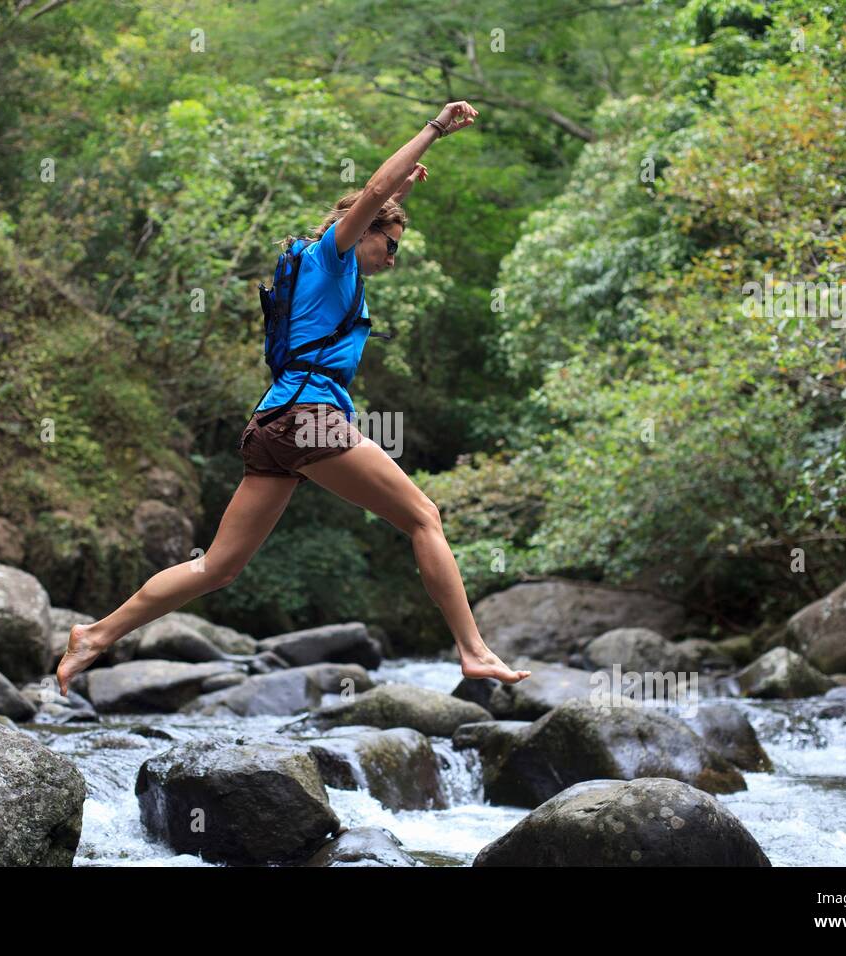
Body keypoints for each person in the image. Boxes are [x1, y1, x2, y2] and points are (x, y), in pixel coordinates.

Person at [56, 99, 531, 696]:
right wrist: (433, 131)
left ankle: (96, 635)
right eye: (392, 242)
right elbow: (374, 189)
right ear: (363, 229)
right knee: (424, 518)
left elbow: (384, 196)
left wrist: (402, 194)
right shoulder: (330, 256)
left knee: (219, 567)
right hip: (308, 419)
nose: (393, 255)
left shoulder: (331, 272)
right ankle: (474, 649)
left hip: (273, 425)